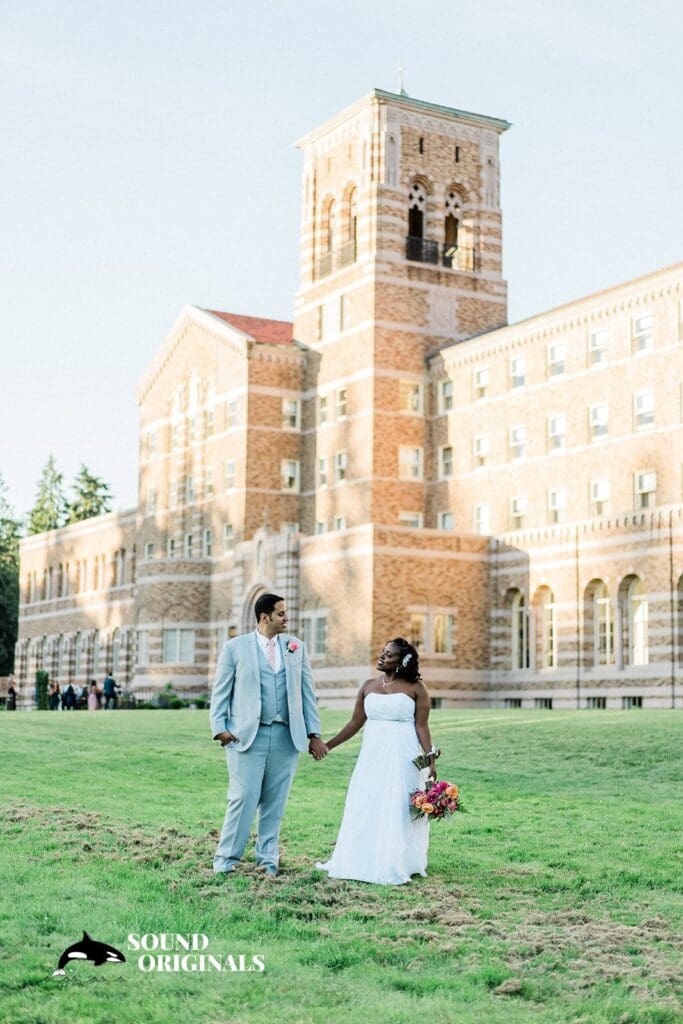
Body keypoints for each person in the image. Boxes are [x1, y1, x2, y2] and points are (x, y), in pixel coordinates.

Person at [209, 593, 328, 877]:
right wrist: (220, 729)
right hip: (246, 737)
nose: (287, 618)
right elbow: (220, 692)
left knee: (276, 801)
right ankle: (226, 860)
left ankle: (268, 861)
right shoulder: (235, 648)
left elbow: (307, 693)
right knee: (243, 797)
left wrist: (314, 733)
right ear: (265, 617)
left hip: (287, 737)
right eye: (282, 614)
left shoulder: (296, 647)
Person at [315, 637, 436, 885]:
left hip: (403, 755)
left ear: (402, 661)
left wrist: (431, 760)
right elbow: (354, 723)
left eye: (388, 654)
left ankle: (396, 860)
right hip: (372, 755)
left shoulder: (417, 688)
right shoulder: (368, 686)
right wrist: (328, 745)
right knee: (367, 800)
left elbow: (422, 727)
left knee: (398, 805)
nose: (381, 656)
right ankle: (362, 856)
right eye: (382, 651)